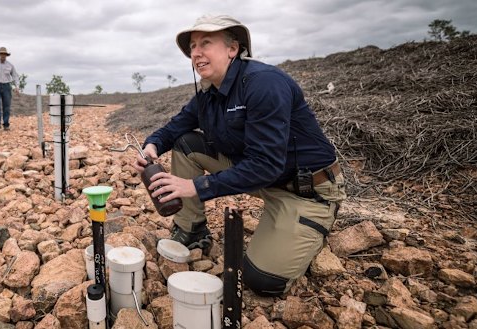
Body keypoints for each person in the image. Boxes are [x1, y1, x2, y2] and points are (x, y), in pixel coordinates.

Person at [133, 14, 346, 297]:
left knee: (262, 279)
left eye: (205, 43)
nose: (196, 53)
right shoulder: (208, 95)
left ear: (232, 49)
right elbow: (174, 129)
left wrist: (195, 186)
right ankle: (192, 230)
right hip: (262, 178)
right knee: (186, 143)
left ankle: (312, 224)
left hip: (305, 190)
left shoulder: (264, 83)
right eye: (193, 47)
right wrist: (152, 146)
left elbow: (267, 164)